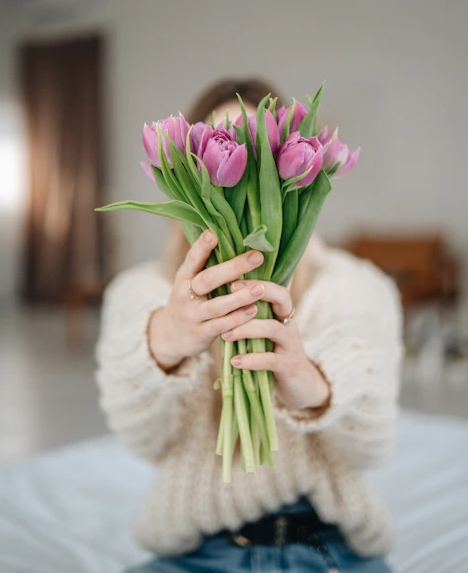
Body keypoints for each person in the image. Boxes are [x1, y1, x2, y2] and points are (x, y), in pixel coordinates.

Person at [96, 78, 402, 573]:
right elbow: (142, 441)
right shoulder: (142, 294)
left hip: (325, 546)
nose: (236, 180)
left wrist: (315, 387)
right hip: (197, 551)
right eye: (220, 146)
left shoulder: (352, 287)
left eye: (254, 154)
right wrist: (163, 345)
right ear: (184, 170)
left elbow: (374, 446)